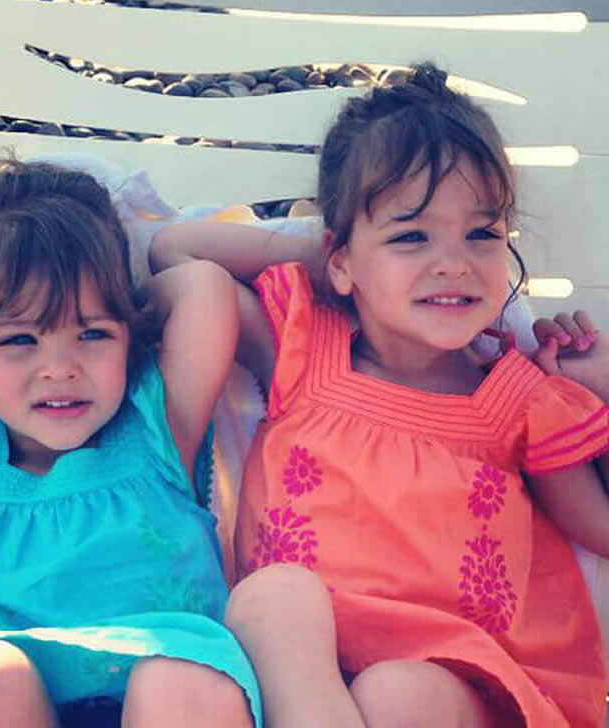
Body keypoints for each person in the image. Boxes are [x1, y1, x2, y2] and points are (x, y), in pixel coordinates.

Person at [149, 63, 608, 727]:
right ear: (339, 258)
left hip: (462, 684)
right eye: (410, 236)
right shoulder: (300, 349)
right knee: (271, 597)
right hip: (298, 665)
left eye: (482, 234)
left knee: (395, 693)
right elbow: (175, 249)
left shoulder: (521, 399)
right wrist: (326, 262)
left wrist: (601, 385)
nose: (453, 263)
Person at [0, 157, 261, 728]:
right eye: (20, 340)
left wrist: (116, 321)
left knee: (182, 676)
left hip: (167, 695)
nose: (60, 368)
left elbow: (203, 285)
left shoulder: (160, 429)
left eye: (92, 333)